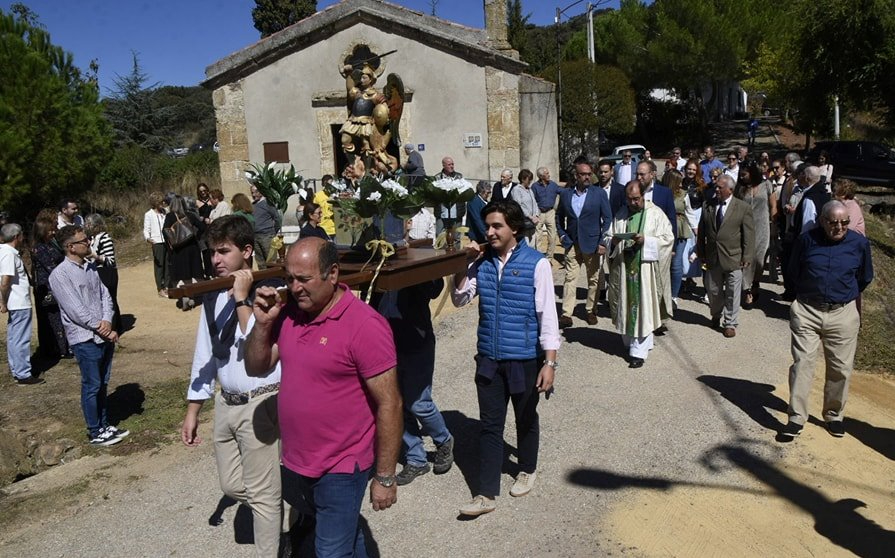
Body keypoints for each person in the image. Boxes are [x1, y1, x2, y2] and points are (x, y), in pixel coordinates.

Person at [245, 237, 401, 557]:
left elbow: (391, 403)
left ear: (332, 274)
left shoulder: (365, 325)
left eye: (304, 279)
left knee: (330, 551)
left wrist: (385, 477)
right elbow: (256, 366)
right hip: (299, 460)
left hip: (342, 465)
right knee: (343, 536)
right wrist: (261, 326)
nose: (295, 287)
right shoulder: (288, 313)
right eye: (289, 278)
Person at [181, 215, 284, 557]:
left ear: (247, 251)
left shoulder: (269, 290)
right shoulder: (212, 295)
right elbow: (205, 353)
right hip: (227, 403)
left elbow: (256, 338)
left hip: (262, 400)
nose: (216, 260)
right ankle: (297, 500)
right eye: (212, 253)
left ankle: (275, 547)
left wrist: (242, 297)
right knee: (233, 485)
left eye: (223, 252)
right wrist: (193, 408)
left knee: (262, 495)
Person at [452, 199, 559, 516]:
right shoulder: (482, 262)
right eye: (487, 226)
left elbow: (548, 318)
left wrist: (549, 364)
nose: (490, 231)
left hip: (524, 358)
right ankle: (485, 494)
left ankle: (527, 467)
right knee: (490, 425)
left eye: (497, 225)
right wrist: (464, 262)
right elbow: (460, 299)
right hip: (489, 357)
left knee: (525, 418)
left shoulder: (536, 264)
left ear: (514, 227)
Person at [779, 201, 873, 439]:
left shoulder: (859, 244)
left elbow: (864, 277)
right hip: (808, 311)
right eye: (833, 222)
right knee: (802, 365)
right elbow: (793, 272)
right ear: (822, 220)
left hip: (842, 313)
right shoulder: (806, 241)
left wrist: (842, 296)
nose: (839, 227)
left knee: (840, 369)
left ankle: (833, 415)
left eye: (844, 222)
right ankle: (796, 417)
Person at [50, 225, 128, 446]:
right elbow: (74, 309)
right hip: (84, 338)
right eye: (84, 241)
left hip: (102, 333)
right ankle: (95, 430)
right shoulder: (60, 275)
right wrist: (100, 326)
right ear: (70, 247)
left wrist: (106, 319)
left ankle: (104, 424)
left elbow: (106, 295)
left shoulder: (90, 267)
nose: (89, 244)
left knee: (103, 382)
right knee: (92, 384)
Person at [371, 278, 454, 486]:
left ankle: (443, 440)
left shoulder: (417, 263)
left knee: (419, 403)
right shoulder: (380, 267)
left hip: (417, 341)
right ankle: (416, 458)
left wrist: (412, 274)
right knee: (396, 404)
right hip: (387, 345)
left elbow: (435, 288)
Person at [603, 181, 674, 368]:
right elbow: (608, 236)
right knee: (626, 307)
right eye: (629, 199)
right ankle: (636, 342)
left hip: (645, 271)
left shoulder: (655, 214)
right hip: (624, 270)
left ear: (643, 195)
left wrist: (647, 241)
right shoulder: (622, 213)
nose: (633, 202)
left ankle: (638, 353)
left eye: (636, 199)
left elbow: (668, 239)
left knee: (643, 309)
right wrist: (614, 240)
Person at [556, 161, 613, 328]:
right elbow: (559, 218)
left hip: (593, 243)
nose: (587, 177)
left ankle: (590, 310)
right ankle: (566, 314)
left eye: (589, 174)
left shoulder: (599, 193)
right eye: (583, 174)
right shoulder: (566, 194)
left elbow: (608, 219)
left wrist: (602, 241)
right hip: (572, 243)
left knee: (593, 279)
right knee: (570, 278)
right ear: (576, 176)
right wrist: (562, 235)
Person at [697, 174, 755, 338]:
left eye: (719, 187)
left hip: (733, 256)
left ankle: (730, 323)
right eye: (716, 186)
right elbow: (702, 231)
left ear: (730, 189)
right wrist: (700, 251)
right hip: (713, 256)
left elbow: (749, 235)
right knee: (713, 291)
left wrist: (747, 256)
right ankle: (716, 314)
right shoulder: (708, 205)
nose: (716, 189)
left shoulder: (742, 208)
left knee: (732, 292)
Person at [1, 223, 41, 385]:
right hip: (19, 302)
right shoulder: (8, 254)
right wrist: (2, 301)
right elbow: (5, 280)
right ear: (17, 237)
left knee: (14, 337)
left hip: (16, 301)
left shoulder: (5, 252)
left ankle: (17, 368)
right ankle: (23, 373)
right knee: (20, 338)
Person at [734, 163, 777, 306]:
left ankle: (756, 284)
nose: (741, 177)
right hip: (745, 228)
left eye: (744, 174)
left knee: (759, 259)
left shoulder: (767, 185)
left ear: (752, 173)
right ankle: (747, 291)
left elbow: (773, 206)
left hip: (762, 227)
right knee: (746, 259)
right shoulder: (739, 188)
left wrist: (774, 226)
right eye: (741, 174)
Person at [31, 210, 71, 360]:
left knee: (59, 317)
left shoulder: (50, 244)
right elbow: (50, 267)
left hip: (55, 284)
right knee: (52, 319)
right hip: (47, 287)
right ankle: (57, 349)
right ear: (43, 232)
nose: (53, 233)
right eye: (50, 231)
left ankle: (63, 347)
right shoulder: (39, 248)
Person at [84, 214, 122, 333]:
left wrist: (95, 256)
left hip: (107, 273)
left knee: (110, 299)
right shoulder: (92, 238)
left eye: (89, 224)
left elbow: (110, 260)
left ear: (97, 225)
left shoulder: (105, 238)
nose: (87, 227)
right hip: (96, 272)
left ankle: (115, 327)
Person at [164, 195, 205, 288]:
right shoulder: (190, 215)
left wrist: (171, 244)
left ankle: (186, 296)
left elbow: (165, 231)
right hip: (192, 247)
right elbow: (202, 227)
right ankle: (198, 294)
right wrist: (195, 236)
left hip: (179, 250)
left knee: (183, 274)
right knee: (195, 272)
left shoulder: (170, 216)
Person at [143, 191, 169, 297]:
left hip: (167, 241)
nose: (162, 203)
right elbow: (146, 229)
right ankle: (160, 288)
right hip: (157, 242)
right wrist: (148, 238)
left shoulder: (165, 212)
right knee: (159, 265)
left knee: (168, 264)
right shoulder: (148, 214)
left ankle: (167, 286)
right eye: (159, 202)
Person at [250, 185, 282, 270]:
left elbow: (277, 219)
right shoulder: (252, 205)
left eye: (256, 192)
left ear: (261, 192)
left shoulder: (268, 203)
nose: (253, 195)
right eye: (252, 192)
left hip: (267, 236)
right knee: (261, 263)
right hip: (256, 237)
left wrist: (272, 232)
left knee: (271, 261)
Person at [434, 157, 466, 239]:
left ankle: (457, 251)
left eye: (452, 164)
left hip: (456, 211)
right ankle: (441, 252)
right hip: (442, 211)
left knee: (456, 237)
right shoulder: (437, 178)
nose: (452, 166)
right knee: (440, 236)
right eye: (449, 164)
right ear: (443, 165)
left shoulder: (459, 176)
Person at [533, 167, 560, 258]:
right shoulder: (535, 186)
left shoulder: (553, 185)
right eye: (547, 174)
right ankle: (539, 256)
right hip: (539, 212)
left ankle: (549, 258)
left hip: (550, 212)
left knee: (552, 236)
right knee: (538, 236)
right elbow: (533, 200)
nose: (549, 175)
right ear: (541, 176)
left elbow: (562, 191)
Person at [511, 168, 539, 243]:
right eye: (528, 179)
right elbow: (519, 206)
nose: (530, 181)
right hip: (524, 221)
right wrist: (529, 216)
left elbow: (534, 202)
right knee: (526, 243)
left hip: (532, 222)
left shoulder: (529, 190)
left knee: (533, 244)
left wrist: (536, 215)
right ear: (523, 179)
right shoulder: (516, 190)